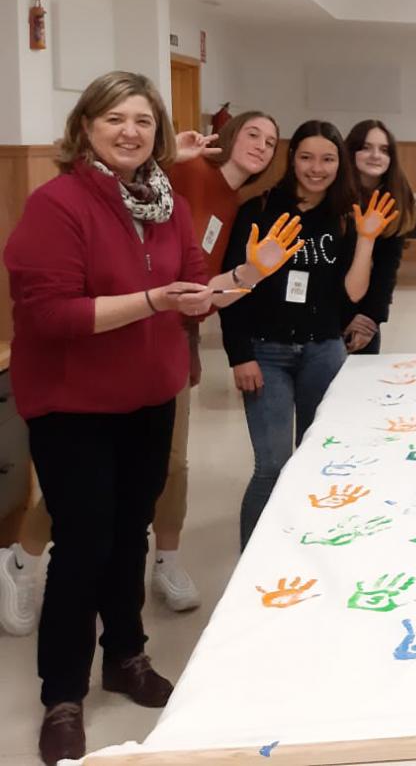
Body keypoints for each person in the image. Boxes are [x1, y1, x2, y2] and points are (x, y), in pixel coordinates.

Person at [2, 72, 291, 765]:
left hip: (150, 394)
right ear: (85, 126)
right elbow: (50, 314)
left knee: (130, 532)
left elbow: (194, 294)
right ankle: (63, 693)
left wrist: (248, 275)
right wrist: (153, 300)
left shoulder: (166, 206)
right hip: (74, 403)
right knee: (82, 545)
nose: (130, 131)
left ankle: (125, 656)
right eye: (114, 119)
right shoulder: (58, 202)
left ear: (158, 135)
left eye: (142, 121)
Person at [221, 120, 397, 550]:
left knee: (319, 458)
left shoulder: (344, 215)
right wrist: (239, 355)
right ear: (291, 159)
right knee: (273, 464)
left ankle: (305, 548)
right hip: (266, 353)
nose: (316, 168)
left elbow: (353, 294)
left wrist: (367, 241)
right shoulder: (259, 210)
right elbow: (233, 290)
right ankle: (255, 560)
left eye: (327, 159)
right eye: (306, 157)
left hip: (324, 350)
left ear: (340, 163)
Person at [343, 119, 416, 355]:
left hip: (366, 313)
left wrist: (370, 318)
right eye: (366, 147)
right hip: (326, 312)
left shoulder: (396, 195)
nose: (375, 155)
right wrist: (345, 317)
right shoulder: (334, 194)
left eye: (384, 150)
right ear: (351, 151)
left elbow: (387, 268)